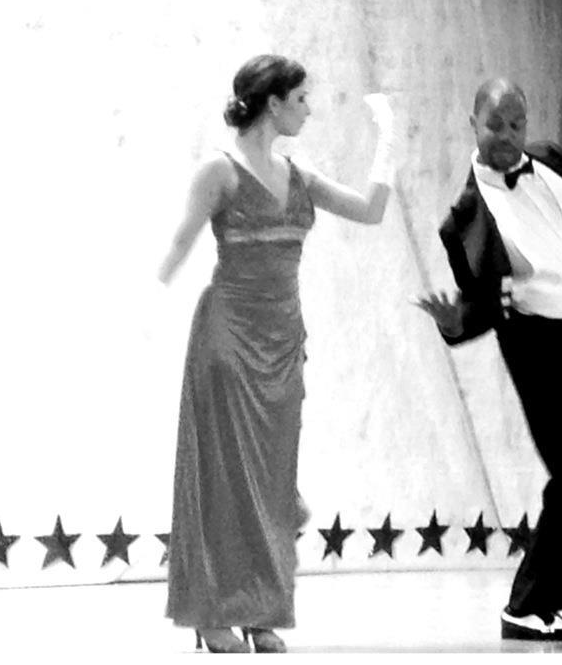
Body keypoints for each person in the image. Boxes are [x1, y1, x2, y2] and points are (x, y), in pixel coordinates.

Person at [157, 54, 393, 653]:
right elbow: (178, 245)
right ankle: (211, 612)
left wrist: (389, 142)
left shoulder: (299, 175)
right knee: (224, 477)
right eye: (302, 99)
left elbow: (370, 211)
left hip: (283, 344)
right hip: (228, 339)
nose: (309, 110)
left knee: (271, 479)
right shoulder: (219, 170)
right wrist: (141, 301)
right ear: (273, 103)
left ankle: (260, 611)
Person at [413, 78, 562, 643]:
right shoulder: (465, 217)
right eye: (495, 124)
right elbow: (481, 301)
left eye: (516, 124)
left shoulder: (553, 161)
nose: (507, 135)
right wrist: (454, 324)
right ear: (473, 123)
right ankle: (527, 604)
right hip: (539, 345)